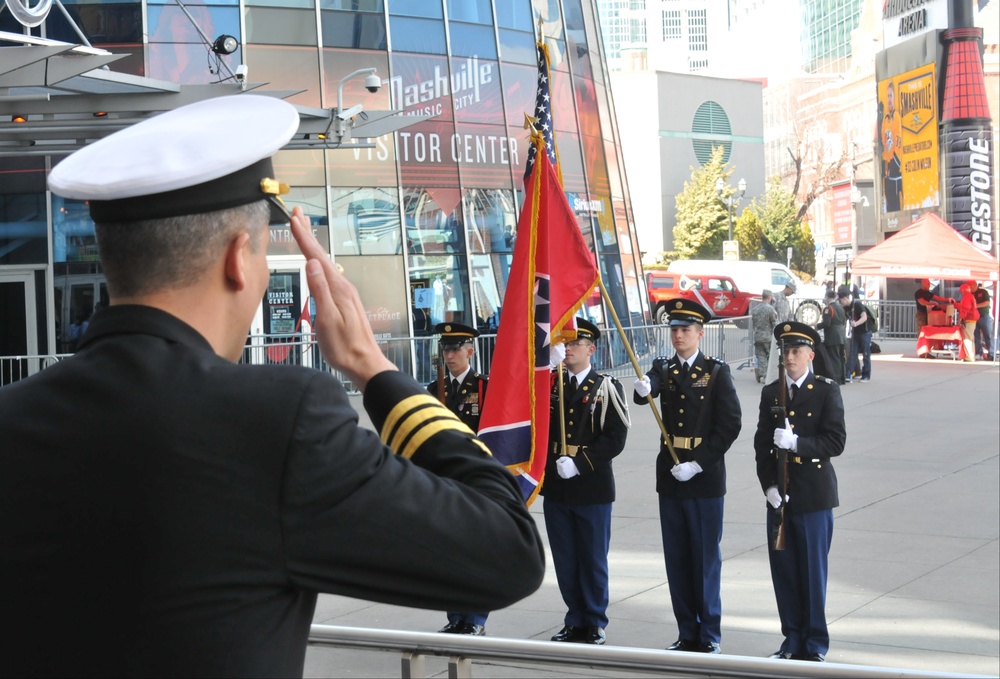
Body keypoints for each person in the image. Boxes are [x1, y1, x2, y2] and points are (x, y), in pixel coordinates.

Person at [0, 95, 545, 677]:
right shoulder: (277, 421)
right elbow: (506, 550)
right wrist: (375, 370)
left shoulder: (14, 417)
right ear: (240, 260)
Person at [633, 299, 741, 654]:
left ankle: (709, 633)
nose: (678, 335)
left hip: (702, 476)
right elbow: (649, 386)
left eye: (685, 330)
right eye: (674, 329)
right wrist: (643, 387)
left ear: (700, 333)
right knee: (677, 558)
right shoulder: (662, 368)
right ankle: (686, 631)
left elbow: (729, 425)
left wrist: (698, 462)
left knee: (705, 557)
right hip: (670, 475)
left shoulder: (716, 371)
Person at [755, 322, 846, 663]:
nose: (789, 357)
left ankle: (815, 643)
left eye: (796, 351)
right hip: (781, 497)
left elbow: (835, 441)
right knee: (785, 571)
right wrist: (769, 485)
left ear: (810, 354)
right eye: (785, 351)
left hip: (813, 496)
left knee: (811, 572)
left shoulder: (825, 390)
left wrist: (798, 444)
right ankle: (791, 639)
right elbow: (761, 445)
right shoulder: (771, 393)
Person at [543, 319, 630, 646]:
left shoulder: (605, 385)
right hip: (557, 486)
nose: (568, 348)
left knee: (592, 558)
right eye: (565, 343)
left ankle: (594, 621)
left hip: (591, 486)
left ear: (591, 349)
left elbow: (616, 437)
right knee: (566, 558)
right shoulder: (552, 384)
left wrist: (580, 464)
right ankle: (574, 618)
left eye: (575, 343)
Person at [426, 322, 491, 635]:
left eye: (455, 348)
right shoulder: (432, 390)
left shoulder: (484, 388)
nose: (449, 354)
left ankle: (475, 618)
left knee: (477, 549)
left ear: (470, 350)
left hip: (475, 479)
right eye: (446, 349)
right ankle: (456, 616)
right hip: (444, 481)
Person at [881, 80, 903, 212]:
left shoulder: (896, 117)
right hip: (888, 171)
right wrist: (885, 165)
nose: (889, 99)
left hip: (895, 169)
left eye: (891, 96)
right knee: (889, 208)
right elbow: (884, 145)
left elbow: (898, 143)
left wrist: (894, 163)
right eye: (888, 96)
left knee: (896, 206)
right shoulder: (885, 120)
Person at [817, 288, 846, 385]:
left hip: (832, 336)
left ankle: (835, 379)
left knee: (833, 358)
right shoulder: (841, 307)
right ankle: (842, 378)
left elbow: (826, 323)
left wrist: (817, 326)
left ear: (828, 297)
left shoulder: (828, 308)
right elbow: (844, 321)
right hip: (841, 335)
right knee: (841, 358)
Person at [842, 286, 871, 383]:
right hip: (855, 334)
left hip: (864, 333)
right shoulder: (846, 308)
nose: (841, 302)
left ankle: (866, 375)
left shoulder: (857, 305)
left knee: (865, 354)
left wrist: (856, 323)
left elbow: (864, 317)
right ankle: (848, 373)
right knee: (852, 354)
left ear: (845, 298)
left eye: (841, 300)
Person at [751, 290, 778, 383]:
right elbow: (774, 323)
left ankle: (763, 375)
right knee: (770, 356)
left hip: (758, 336)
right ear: (769, 297)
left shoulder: (755, 309)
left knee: (761, 356)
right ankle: (769, 376)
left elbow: (754, 324)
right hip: (768, 337)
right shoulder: (770, 309)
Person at [957, 282, 980, 362]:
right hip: (972, 320)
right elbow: (963, 307)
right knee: (970, 338)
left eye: (961, 291)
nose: (961, 293)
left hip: (969, 320)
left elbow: (965, 309)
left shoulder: (967, 297)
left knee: (967, 338)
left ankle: (969, 357)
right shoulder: (970, 296)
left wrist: (960, 318)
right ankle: (971, 356)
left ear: (964, 290)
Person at [973, 282, 994, 361]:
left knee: (987, 335)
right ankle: (979, 353)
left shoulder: (983, 292)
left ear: (975, 286)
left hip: (984, 316)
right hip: (974, 318)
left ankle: (991, 353)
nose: (970, 289)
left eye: (971, 287)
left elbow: (987, 303)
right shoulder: (970, 294)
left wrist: (976, 306)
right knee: (976, 336)